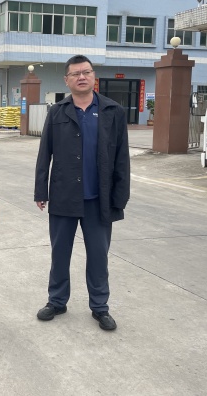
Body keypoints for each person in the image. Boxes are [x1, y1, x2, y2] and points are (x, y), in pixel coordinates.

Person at [34, 55, 130, 331]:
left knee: (99, 256)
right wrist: (41, 190)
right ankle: (57, 301)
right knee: (60, 253)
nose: (81, 77)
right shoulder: (57, 112)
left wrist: (120, 196)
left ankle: (100, 307)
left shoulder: (113, 111)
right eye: (75, 74)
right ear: (67, 80)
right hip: (63, 195)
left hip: (99, 199)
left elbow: (122, 157)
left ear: (94, 76)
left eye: (86, 72)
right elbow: (44, 154)